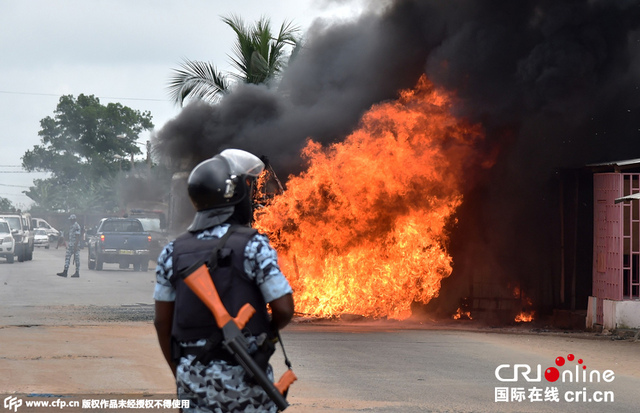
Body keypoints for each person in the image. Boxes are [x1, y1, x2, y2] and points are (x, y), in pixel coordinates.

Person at [153, 149, 295, 412]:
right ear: (237, 196)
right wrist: (267, 339)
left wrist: (182, 371)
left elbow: (162, 322)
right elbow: (284, 309)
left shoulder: (171, 252)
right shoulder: (254, 245)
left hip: (193, 381)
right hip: (248, 383)